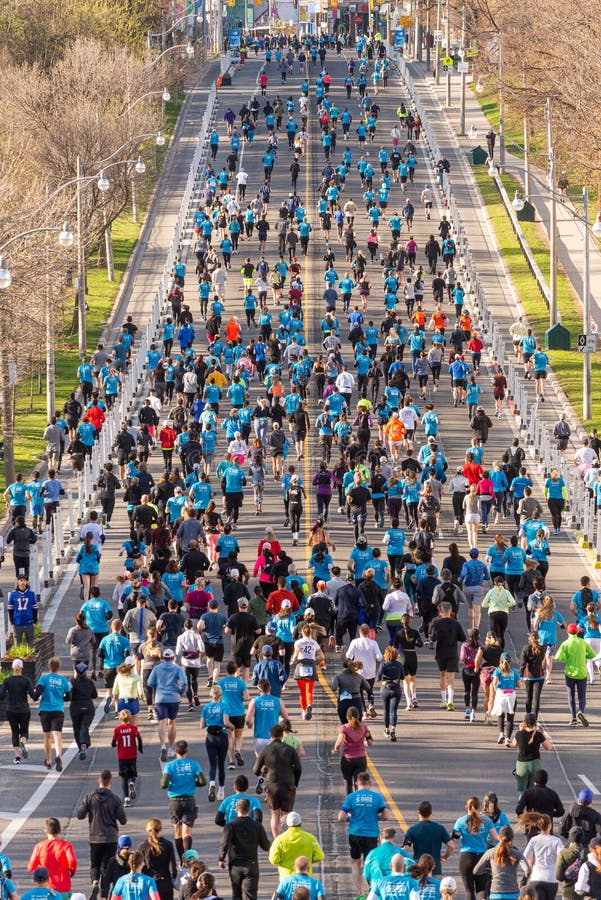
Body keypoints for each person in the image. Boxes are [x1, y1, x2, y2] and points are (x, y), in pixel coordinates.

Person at [77, 769, 127, 900]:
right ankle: (104, 896)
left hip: (95, 837)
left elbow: (80, 814)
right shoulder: (115, 800)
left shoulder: (90, 797)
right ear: (111, 781)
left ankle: (94, 882)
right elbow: (123, 820)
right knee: (106, 868)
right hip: (110, 838)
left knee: (95, 865)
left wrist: (89, 811)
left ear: (98, 781)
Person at [338, 772, 389, 900]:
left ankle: (360, 894)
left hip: (355, 833)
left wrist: (351, 818)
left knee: (355, 862)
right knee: (370, 862)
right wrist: (376, 817)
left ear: (356, 783)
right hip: (371, 834)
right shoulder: (377, 797)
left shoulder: (351, 797)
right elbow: (386, 816)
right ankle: (373, 890)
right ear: (370, 783)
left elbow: (341, 817)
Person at [160, 739, 205, 864]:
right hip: (189, 800)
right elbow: (202, 781)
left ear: (175, 751)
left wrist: (172, 784)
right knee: (187, 833)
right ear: (187, 751)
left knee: (178, 832)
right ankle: (187, 860)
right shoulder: (194, 764)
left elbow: (163, 784)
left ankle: (181, 860)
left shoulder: (170, 765)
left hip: (174, 801)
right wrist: (193, 783)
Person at [254, 724, 302, 839]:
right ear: (282, 735)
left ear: (270, 735)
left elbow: (256, 770)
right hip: (288, 784)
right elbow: (298, 768)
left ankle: (277, 840)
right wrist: (295, 782)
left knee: (274, 813)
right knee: (286, 813)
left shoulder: (265, 750)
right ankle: (286, 837)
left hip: (272, 786)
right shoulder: (290, 750)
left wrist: (265, 771)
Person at [218, 797, 271, 900]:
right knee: (250, 895)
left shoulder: (230, 826)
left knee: (236, 894)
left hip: (235, 865)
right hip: (251, 864)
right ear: (249, 810)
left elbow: (224, 843)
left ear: (236, 809)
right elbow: (265, 845)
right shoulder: (257, 826)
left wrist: (221, 858)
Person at [451, 797, 499, 900]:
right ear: (479, 807)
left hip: (466, 857)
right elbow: (495, 838)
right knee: (481, 889)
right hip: (482, 857)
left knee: (469, 890)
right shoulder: (486, 820)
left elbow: (454, 840)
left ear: (466, 806)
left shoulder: (460, 821)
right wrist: (486, 842)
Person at [147, 648, 187, 762]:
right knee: (172, 722)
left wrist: (158, 685)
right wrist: (180, 691)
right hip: (174, 698)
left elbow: (149, 682)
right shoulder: (177, 668)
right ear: (173, 658)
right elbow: (184, 682)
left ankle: (162, 746)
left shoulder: (157, 668)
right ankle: (170, 748)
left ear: (162, 658)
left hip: (160, 697)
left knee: (162, 722)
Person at [555, 624, 596, 727]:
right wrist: (584, 655)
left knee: (571, 696)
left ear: (567, 632)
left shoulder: (566, 643)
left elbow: (558, 657)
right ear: (577, 632)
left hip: (570, 673)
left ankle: (573, 718)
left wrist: (566, 656)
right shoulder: (583, 642)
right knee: (582, 696)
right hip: (582, 673)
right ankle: (581, 711)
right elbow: (592, 655)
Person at [35, 656, 71, 772]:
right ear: (58, 667)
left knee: (47, 735)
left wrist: (34, 697)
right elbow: (69, 696)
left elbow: (38, 691)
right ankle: (59, 755)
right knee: (57, 734)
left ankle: (49, 760)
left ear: (49, 667)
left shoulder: (43, 678)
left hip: (45, 709)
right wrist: (60, 699)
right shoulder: (63, 680)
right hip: (58, 709)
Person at [472, 826, 530, 897]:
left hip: (496, 893)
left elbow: (476, 870)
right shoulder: (516, 853)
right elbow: (527, 870)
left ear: (499, 837)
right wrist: (524, 881)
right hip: (513, 893)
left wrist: (489, 871)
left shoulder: (490, 852)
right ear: (512, 838)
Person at [429, 602, 467, 711]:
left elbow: (433, 638)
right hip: (452, 652)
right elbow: (462, 638)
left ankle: (443, 700)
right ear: (450, 610)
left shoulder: (437, 623)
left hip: (441, 652)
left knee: (442, 675)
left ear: (440, 610)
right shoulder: (455, 623)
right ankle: (451, 700)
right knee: (451, 677)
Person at [200, 684, 233, 802]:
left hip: (210, 737)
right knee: (221, 764)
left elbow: (201, 725)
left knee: (212, 764)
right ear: (221, 695)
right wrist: (232, 727)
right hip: (222, 736)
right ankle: (221, 791)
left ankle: (212, 784)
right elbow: (226, 722)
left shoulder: (206, 707)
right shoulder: (224, 706)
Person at [28, 818, 78, 896]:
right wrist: (72, 871)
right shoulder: (66, 845)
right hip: (63, 888)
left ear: (46, 831)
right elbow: (72, 861)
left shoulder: (39, 846)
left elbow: (31, 867)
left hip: (46, 889)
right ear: (60, 831)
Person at [403, 802, 455, 876]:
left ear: (419, 812)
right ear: (431, 813)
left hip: (419, 868)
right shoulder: (439, 828)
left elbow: (405, 849)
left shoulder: (412, 830)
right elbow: (451, 846)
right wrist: (445, 857)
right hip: (435, 868)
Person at [268, 811, 325, 879]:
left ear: (287, 824)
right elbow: (319, 856)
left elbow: (273, 859)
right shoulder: (310, 838)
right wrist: (306, 861)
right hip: (305, 878)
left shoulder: (279, 839)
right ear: (300, 823)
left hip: (286, 878)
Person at [522, 813, 565, 900]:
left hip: (536, 877)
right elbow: (562, 857)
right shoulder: (556, 841)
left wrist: (530, 869)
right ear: (550, 825)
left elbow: (524, 857)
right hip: (551, 878)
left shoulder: (534, 840)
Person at [0, 657, 35, 764]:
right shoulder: (26, 680)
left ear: (12, 668)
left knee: (14, 732)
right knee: (24, 731)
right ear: (22, 668)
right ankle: (23, 742)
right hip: (24, 709)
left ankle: (17, 757)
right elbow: (33, 695)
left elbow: (1, 696)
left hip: (11, 710)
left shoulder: (7, 681)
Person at [332, 705, 373, 794]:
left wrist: (335, 749)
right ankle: (359, 802)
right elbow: (370, 742)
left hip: (347, 759)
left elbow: (340, 741)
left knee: (347, 782)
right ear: (359, 716)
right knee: (359, 783)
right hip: (361, 759)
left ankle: (349, 804)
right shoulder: (364, 727)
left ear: (347, 717)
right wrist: (363, 743)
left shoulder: (344, 727)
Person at [511, 713, 553, 797]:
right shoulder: (538, 735)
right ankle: (531, 808)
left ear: (524, 723)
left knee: (521, 789)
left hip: (522, 764)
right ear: (535, 723)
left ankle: (522, 805)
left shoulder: (520, 734)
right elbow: (549, 747)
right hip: (535, 764)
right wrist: (543, 733)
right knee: (533, 789)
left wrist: (520, 730)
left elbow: (514, 744)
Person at [136, 818, 178, 900]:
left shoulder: (143, 847)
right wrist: (173, 877)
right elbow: (172, 867)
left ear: (147, 830)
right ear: (161, 829)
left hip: (148, 882)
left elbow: (139, 867)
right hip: (165, 883)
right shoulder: (168, 844)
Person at [290, 623, 324, 720]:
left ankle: (304, 711)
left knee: (302, 691)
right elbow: (322, 656)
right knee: (309, 691)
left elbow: (296, 653)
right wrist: (315, 660)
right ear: (310, 632)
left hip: (301, 665)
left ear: (301, 632)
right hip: (311, 664)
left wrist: (292, 661)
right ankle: (309, 704)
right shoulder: (314, 643)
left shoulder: (298, 642)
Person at [70, 660, 98, 760]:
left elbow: (69, 695)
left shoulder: (72, 682)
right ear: (86, 672)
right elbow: (95, 695)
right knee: (84, 726)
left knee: (76, 728)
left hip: (75, 707)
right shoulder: (89, 682)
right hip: (88, 707)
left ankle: (80, 747)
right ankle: (84, 744)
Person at [7, 575, 38, 645]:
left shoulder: (31, 593)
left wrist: (34, 621)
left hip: (29, 622)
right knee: (17, 643)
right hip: (17, 622)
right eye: (21, 580)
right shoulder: (13, 594)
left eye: (24, 580)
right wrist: (12, 622)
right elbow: (10, 609)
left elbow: (35, 608)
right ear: (18, 582)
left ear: (27, 582)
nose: (22, 582)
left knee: (30, 643)